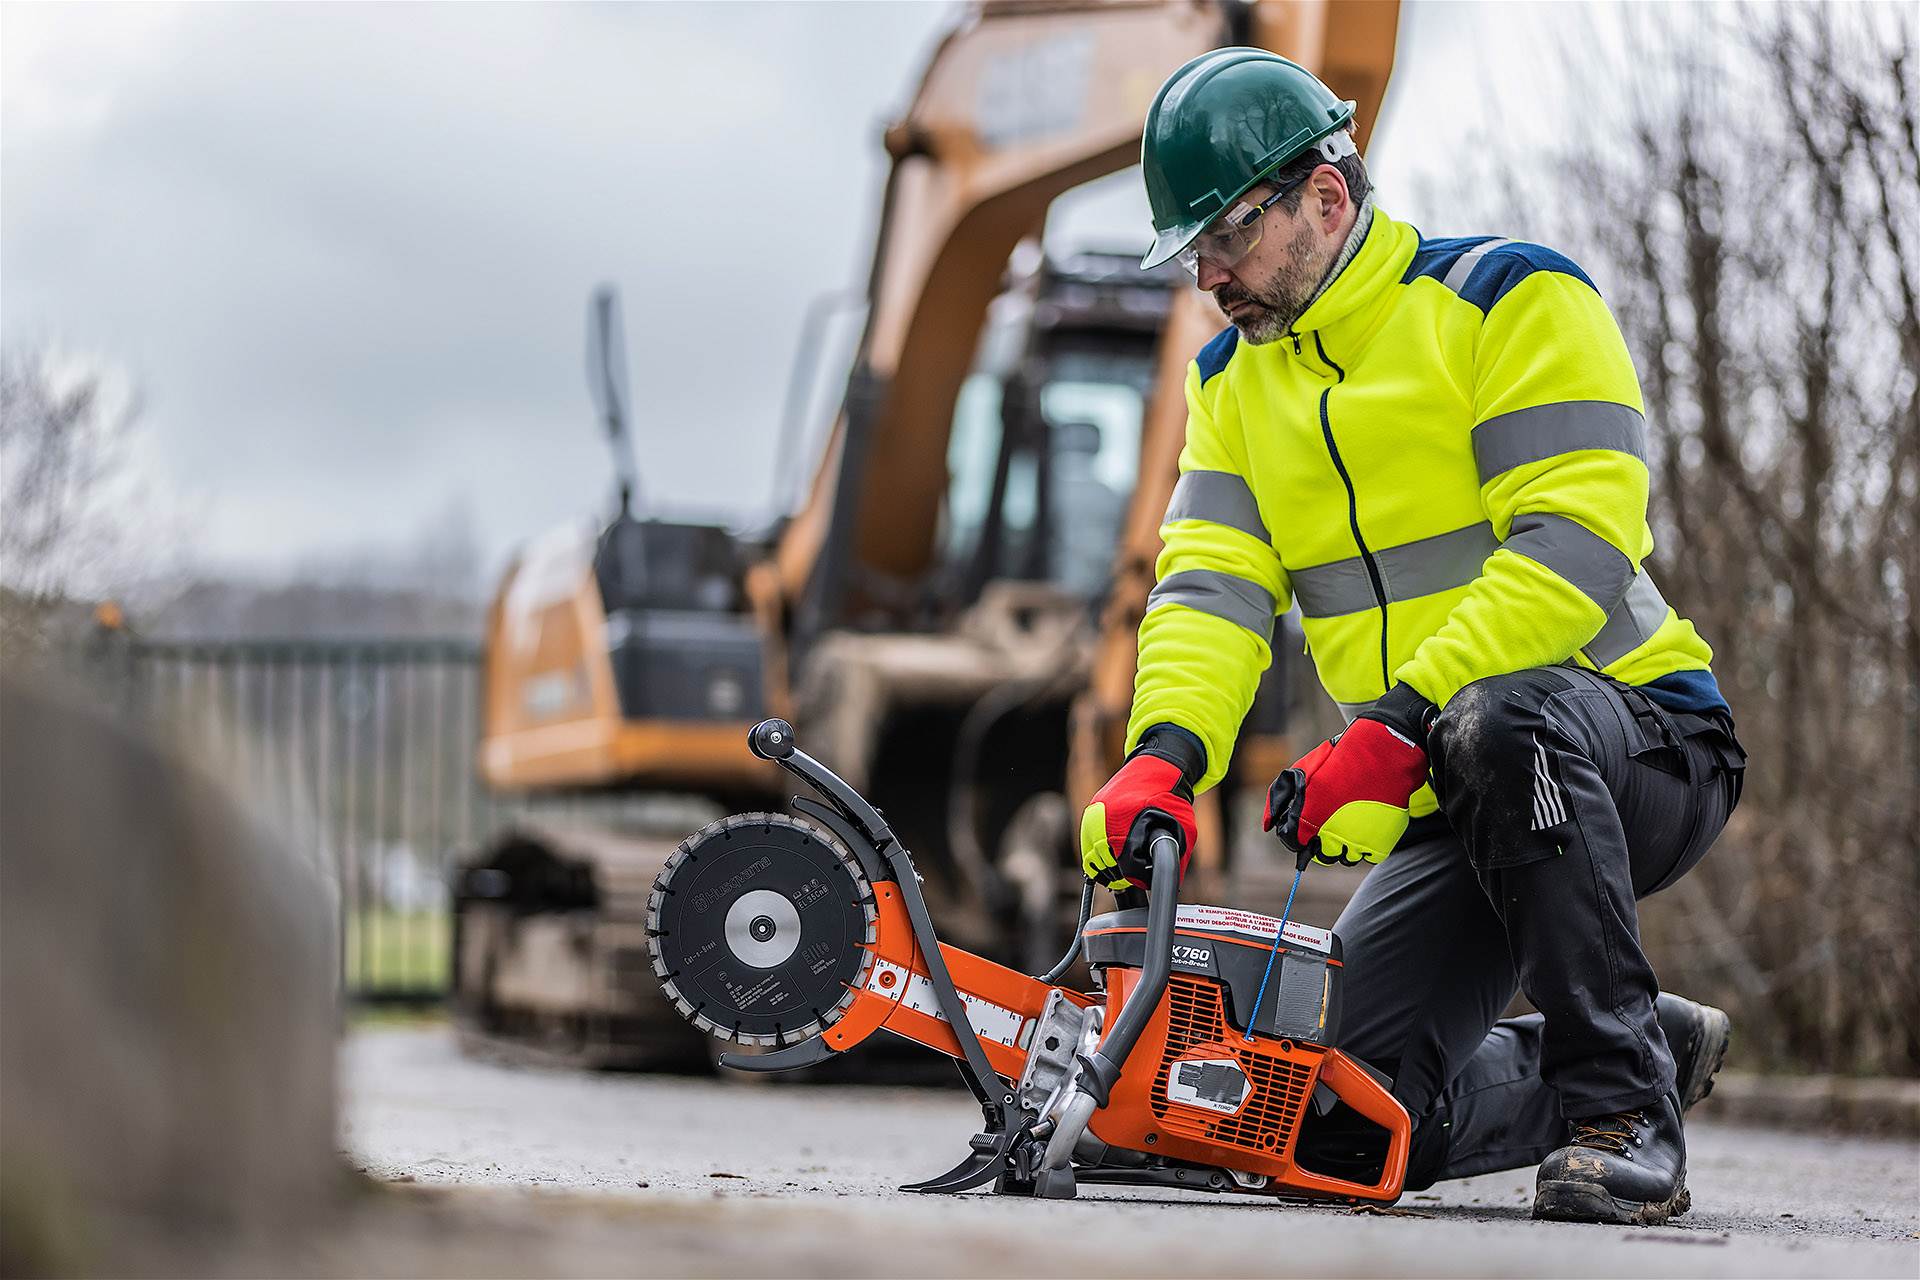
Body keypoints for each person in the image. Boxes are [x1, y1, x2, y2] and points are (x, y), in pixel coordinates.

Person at [1078, 48, 1747, 1226]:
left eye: (1225, 236)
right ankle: (1647, 1042)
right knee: (1325, 1123)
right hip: (1454, 787)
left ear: (1325, 198)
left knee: (1504, 718)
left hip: (1637, 745)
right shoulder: (1232, 384)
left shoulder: (1510, 298)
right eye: (1193, 253)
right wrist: (1165, 754)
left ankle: (1623, 1115)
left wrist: (1402, 720)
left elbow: (1577, 543)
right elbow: (1212, 588)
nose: (1209, 274)